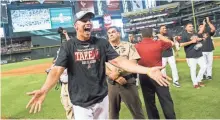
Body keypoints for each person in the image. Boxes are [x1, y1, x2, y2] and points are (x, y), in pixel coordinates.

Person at [26, 11, 170, 119]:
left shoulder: (101, 43)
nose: (88, 22)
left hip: (101, 98)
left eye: (89, 20)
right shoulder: (68, 46)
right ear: (76, 26)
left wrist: (148, 70)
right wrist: (44, 90)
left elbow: (121, 61)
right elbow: (57, 70)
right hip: (80, 102)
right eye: (83, 20)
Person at [135, 27, 176, 119]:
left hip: (144, 75)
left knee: (149, 102)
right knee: (166, 100)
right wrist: (160, 35)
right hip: (159, 74)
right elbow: (172, 43)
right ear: (152, 34)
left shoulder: (136, 46)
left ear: (141, 35)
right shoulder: (159, 43)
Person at [106, 26, 145, 119]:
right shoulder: (104, 48)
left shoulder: (128, 45)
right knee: (112, 114)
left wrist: (118, 72)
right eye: (109, 33)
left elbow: (133, 63)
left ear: (119, 33)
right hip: (112, 84)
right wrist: (115, 77)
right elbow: (101, 65)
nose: (111, 34)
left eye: (113, 32)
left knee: (137, 113)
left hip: (128, 82)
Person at [45, 29, 74, 119]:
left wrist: (66, 34)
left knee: (73, 105)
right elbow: (54, 65)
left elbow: (71, 44)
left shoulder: (71, 53)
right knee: (66, 105)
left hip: (72, 84)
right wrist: (50, 70)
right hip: (63, 85)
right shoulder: (59, 56)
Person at [180, 23, 206, 89]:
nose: (192, 27)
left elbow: (197, 39)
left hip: (199, 53)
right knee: (193, 70)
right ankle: (195, 83)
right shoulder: (184, 35)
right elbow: (181, 44)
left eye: (192, 26)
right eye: (190, 26)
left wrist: (201, 39)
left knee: (204, 67)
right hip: (191, 55)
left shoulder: (195, 33)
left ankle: (198, 80)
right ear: (186, 28)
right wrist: (191, 42)